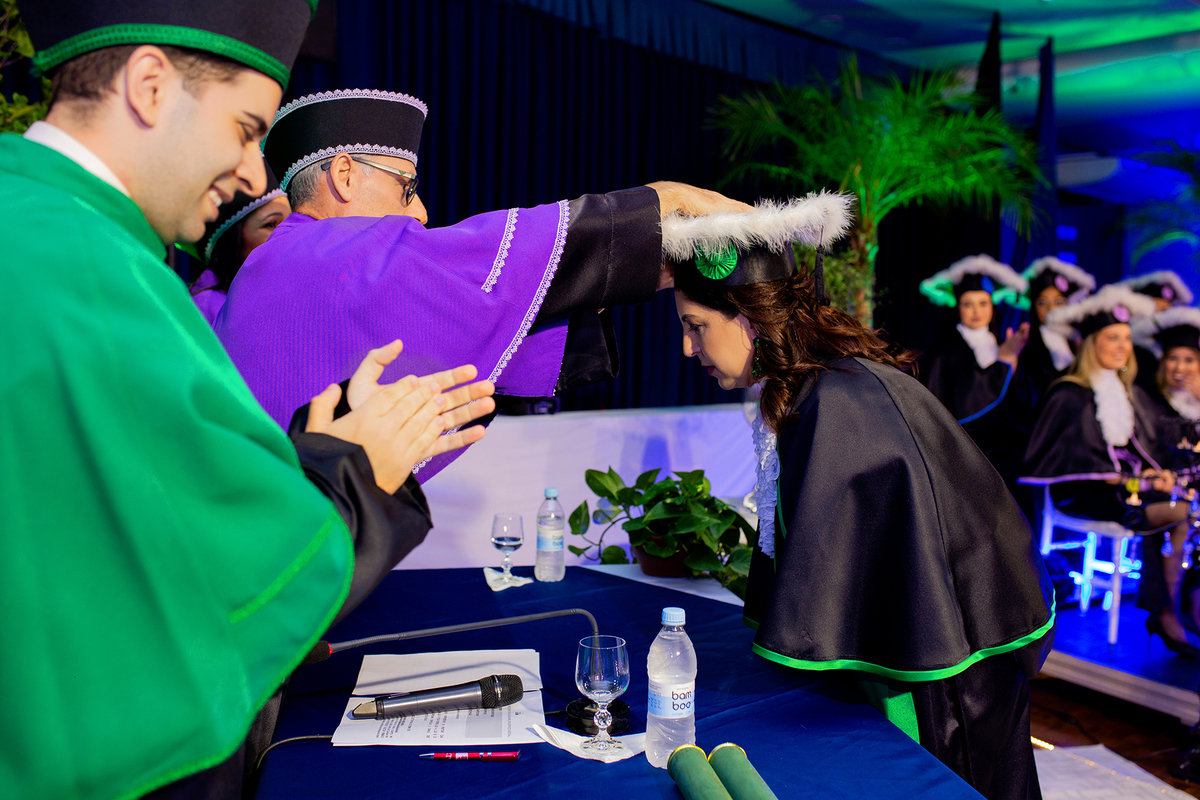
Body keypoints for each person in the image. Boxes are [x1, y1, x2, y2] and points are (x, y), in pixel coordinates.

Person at [2, 4, 496, 799]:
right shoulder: (92, 273)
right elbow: (221, 576)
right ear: (151, 85)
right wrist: (359, 471)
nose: (256, 177)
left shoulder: (36, 222)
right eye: (243, 127)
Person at [668, 199, 1054, 800]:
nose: (689, 350)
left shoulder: (838, 406)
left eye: (696, 327)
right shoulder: (816, 386)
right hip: (933, 654)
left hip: (942, 679)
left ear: (752, 316)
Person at [214, 88, 752, 480]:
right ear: (346, 175)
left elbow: (456, 307)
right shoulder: (327, 256)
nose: (421, 212)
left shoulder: (278, 266)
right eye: (408, 188)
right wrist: (666, 204)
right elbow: (476, 269)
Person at [1023, 286, 1199, 655]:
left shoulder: (1127, 391)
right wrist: (1143, 480)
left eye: (1125, 339)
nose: (1121, 346)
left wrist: (1159, 476)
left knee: (1185, 502)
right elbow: (1077, 466)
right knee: (1184, 512)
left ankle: (1180, 608)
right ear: (1092, 344)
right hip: (1089, 495)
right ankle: (1169, 614)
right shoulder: (1069, 393)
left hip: (1127, 488)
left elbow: (1140, 453)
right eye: (1111, 338)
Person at [920, 254, 1034, 493]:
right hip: (967, 436)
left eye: (983, 303)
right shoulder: (950, 347)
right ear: (958, 307)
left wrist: (1012, 364)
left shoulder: (999, 342)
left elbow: (1019, 400)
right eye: (968, 304)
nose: (976, 311)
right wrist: (1004, 363)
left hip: (1000, 433)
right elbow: (968, 399)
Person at [189, 162, 290, 324]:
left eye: (290, 222)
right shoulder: (206, 309)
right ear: (231, 242)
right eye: (271, 224)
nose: (288, 232)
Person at [1003, 256, 1095, 401]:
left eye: (1058, 302)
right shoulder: (1027, 343)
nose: (1051, 308)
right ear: (1033, 306)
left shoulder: (1077, 338)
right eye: (1042, 302)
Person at [1115, 270, 1195, 399]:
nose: (1161, 317)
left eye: (1166, 311)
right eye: (1156, 309)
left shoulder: (1172, 344)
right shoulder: (1129, 348)